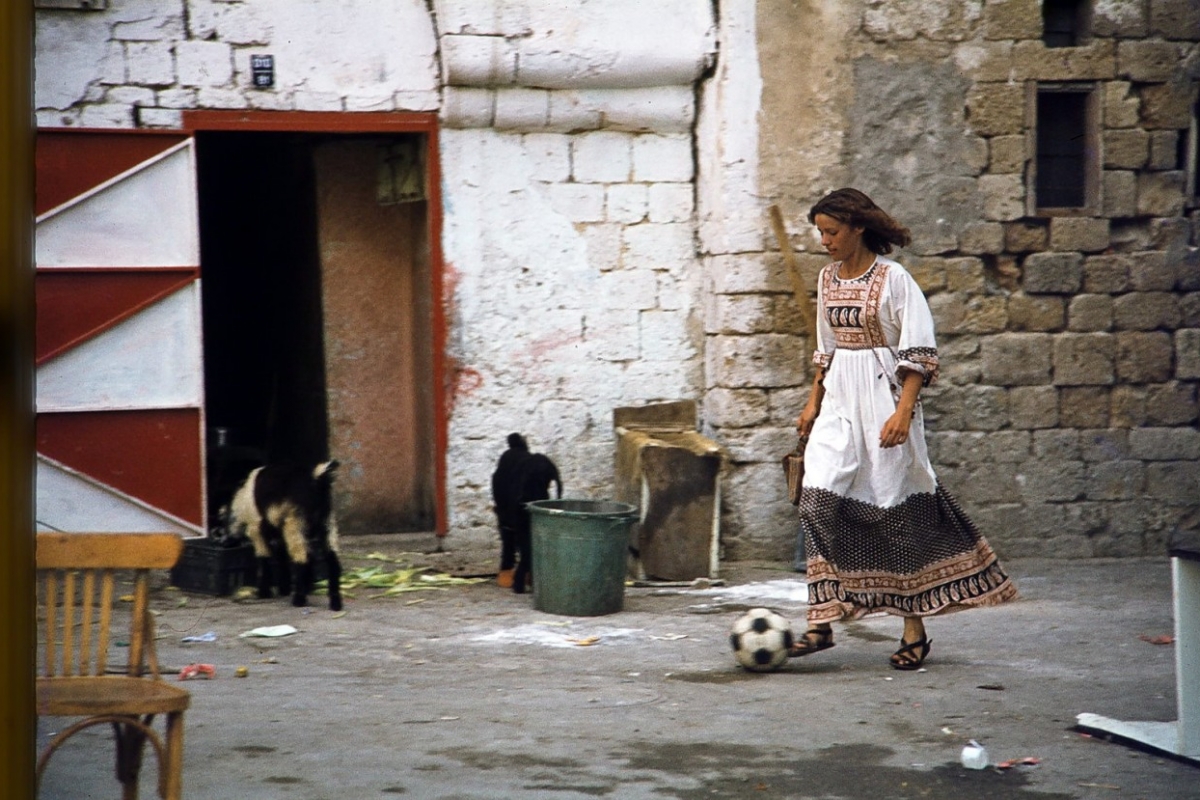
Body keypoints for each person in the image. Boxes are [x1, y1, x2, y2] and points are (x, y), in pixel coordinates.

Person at [790, 188, 1017, 670]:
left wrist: (903, 412)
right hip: (838, 402)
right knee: (816, 497)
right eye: (820, 233)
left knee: (893, 509)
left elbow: (918, 351)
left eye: (831, 232)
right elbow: (825, 349)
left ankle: (914, 629)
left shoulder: (895, 280)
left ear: (858, 228)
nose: (825, 241)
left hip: (886, 401)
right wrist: (812, 402)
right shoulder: (828, 279)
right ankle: (822, 619)